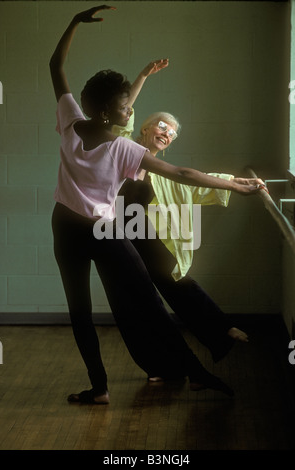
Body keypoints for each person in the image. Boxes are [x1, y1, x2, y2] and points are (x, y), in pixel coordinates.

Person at [49, 5, 264, 404]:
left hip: (65, 226)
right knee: (133, 304)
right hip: (100, 231)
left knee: (111, 305)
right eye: (123, 107)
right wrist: (236, 187)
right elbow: (181, 173)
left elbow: (56, 64)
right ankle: (109, 387)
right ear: (106, 112)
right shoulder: (122, 148)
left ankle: (111, 386)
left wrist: (75, 22)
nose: (129, 109)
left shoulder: (70, 120)